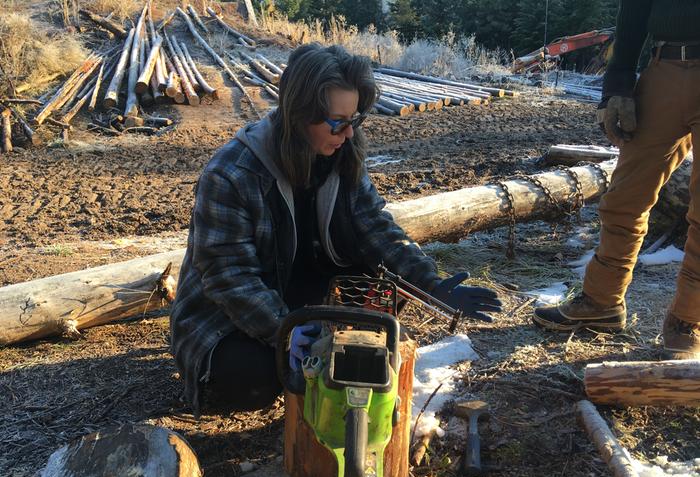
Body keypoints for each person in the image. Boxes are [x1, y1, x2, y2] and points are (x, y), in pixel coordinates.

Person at [170, 44, 502, 415]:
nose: (347, 133)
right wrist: (284, 329)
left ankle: (319, 339)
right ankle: (276, 351)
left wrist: (429, 283)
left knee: (390, 289)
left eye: (355, 120)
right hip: (232, 309)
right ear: (299, 114)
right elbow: (227, 276)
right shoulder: (232, 174)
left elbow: (375, 227)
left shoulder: (343, 153)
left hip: (302, 285)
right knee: (252, 382)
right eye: (337, 122)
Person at [533, 1, 700, 359]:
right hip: (664, 71)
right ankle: (601, 301)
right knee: (625, 198)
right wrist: (617, 85)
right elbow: (634, 12)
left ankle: (687, 322)